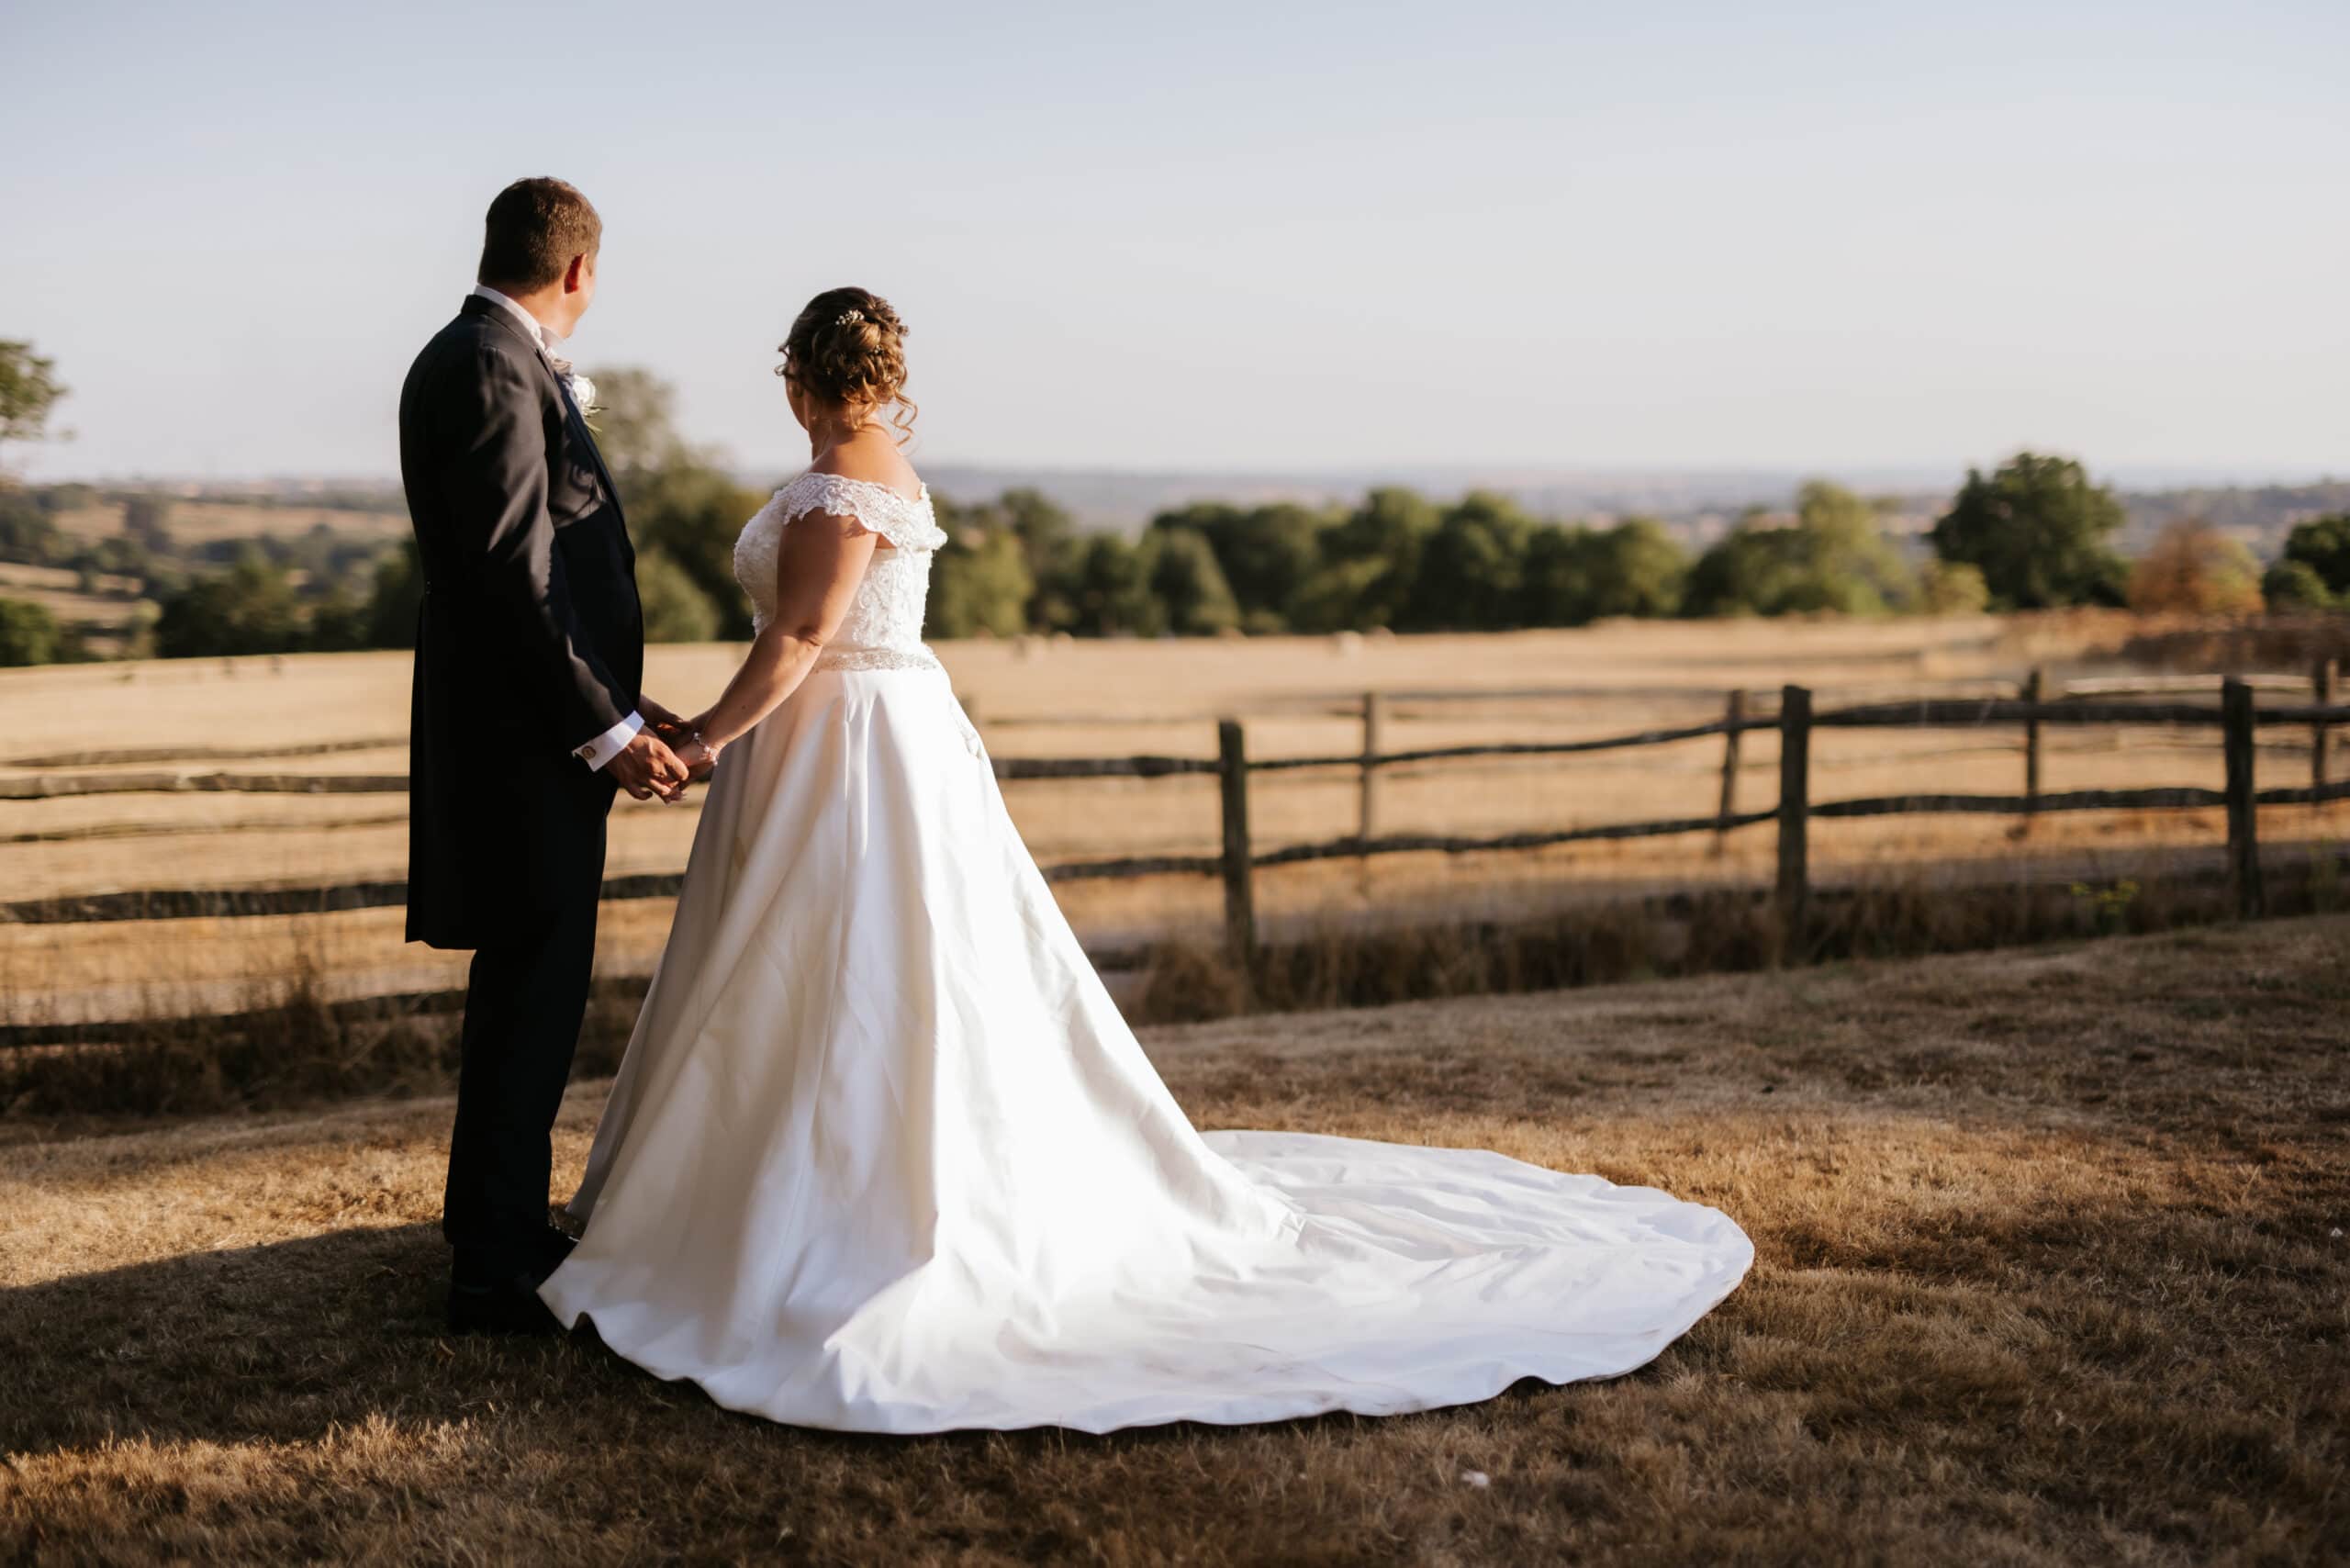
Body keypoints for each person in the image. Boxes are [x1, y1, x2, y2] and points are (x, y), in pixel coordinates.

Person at [539, 286, 1753, 1432]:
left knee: (859, 965)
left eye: (789, 373)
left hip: (851, 746)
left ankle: (844, 1215)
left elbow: (805, 632)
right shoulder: (862, 470)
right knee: (836, 966)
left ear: (806, 376)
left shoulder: (845, 485)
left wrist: (695, 740)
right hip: (843, 741)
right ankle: (766, 1188)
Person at [397, 177, 695, 1335]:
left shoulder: (488, 356)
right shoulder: (486, 365)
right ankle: (494, 1269)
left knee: (532, 994)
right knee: (531, 995)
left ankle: (502, 1233)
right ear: (578, 271)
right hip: (526, 750)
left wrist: (625, 699)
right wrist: (606, 731)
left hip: (543, 730)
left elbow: (544, 578)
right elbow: (510, 579)